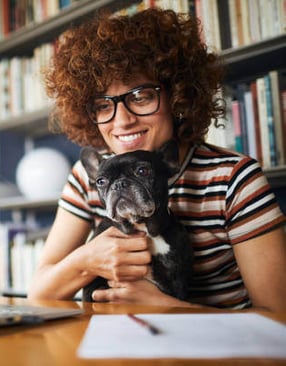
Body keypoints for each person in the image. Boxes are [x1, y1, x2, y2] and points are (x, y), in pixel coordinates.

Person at [27, 7, 286, 311]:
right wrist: (86, 261)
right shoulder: (88, 178)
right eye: (102, 104)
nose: (121, 121)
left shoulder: (234, 179)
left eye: (140, 96)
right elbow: (39, 293)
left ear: (177, 96)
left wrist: (170, 309)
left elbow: (279, 319)